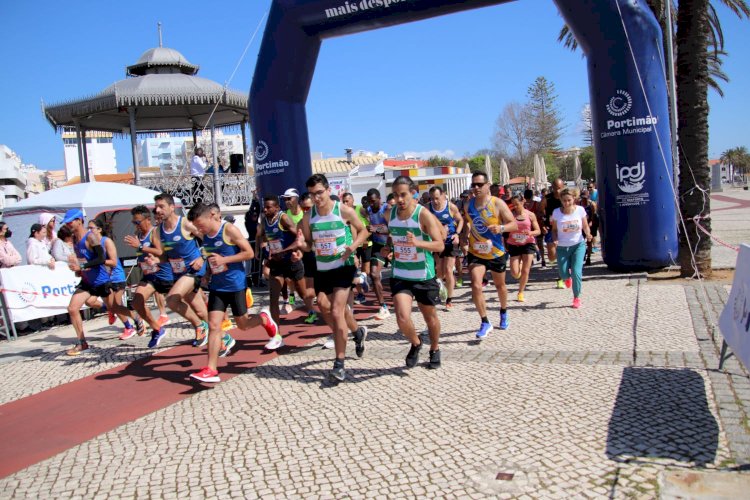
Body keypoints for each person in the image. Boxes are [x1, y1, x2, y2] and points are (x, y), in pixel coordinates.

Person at [184, 203, 277, 383]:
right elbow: (212, 258)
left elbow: (249, 253)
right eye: (196, 225)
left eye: (200, 223)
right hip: (217, 287)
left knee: (243, 325)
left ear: (211, 215)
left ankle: (264, 318)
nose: (198, 228)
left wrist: (224, 259)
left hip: (235, 285)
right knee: (213, 326)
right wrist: (207, 274)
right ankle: (211, 369)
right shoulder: (205, 236)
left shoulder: (229, 230)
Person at [298, 174, 369, 382]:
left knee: (337, 311)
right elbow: (309, 245)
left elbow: (364, 231)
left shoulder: (343, 211)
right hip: (323, 269)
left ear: (328, 190)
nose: (316, 197)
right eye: (312, 194)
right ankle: (356, 332)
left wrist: (353, 247)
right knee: (323, 305)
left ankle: (339, 364)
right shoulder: (308, 216)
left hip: (343, 267)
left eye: (319, 193)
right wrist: (302, 247)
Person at [383, 176, 445, 369]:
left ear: (413, 193)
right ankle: (416, 343)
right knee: (402, 317)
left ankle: (434, 348)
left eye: (403, 195)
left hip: (423, 275)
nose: (399, 199)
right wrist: (387, 249)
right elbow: (392, 237)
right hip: (400, 273)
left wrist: (418, 243)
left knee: (430, 317)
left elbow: (440, 245)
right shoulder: (389, 214)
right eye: (395, 195)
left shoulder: (422, 215)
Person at [150, 193, 211, 347]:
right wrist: (155, 261)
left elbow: (209, 238)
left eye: (161, 206)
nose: (157, 210)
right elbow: (164, 257)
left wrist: (202, 257)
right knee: (200, 310)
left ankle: (199, 326)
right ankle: (222, 337)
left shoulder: (185, 223)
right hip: (179, 273)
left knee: (171, 300)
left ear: (172, 207)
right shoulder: (158, 231)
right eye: (156, 207)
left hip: (194, 269)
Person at [464, 171, 518, 339]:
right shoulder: (468, 205)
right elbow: (467, 223)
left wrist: (501, 228)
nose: (476, 188)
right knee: (476, 284)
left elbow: (514, 225)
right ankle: (485, 321)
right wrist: (464, 239)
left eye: (480, 184)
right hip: (476, 251)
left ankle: (503, 311)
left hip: (495, 251)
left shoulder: (497, 203)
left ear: (488, 185)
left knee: (500, 285)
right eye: (474, 184)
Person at [257, 194, 307, 349]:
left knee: (305, 295)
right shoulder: (264, 221)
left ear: (277, 208)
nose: (265, 210)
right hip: (277, 264)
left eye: (268, 207)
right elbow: (262, 237)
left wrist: (285, 251)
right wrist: (264, 250)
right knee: (273, 297)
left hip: (291, 261)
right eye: (264, 207)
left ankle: (325, 314)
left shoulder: (283, 218)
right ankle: (277, 336)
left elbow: (299, 238)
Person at [123, 205, 175, 342]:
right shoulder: (138, 235)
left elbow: (160, 252)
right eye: (134, 222)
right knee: (137, 302)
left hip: (164, 274)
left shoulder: (155, 232)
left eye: (138, 222)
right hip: (149, 276)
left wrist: (140, 246)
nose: (136, 225)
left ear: (147, 220)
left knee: (184, 302)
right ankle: (157, 329)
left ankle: (202, 324)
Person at [89, 218, 144, 340]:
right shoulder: (91, 243)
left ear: (99, 229)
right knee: (90, 301)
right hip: (102, 278)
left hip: (116, 277)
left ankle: (131, 324)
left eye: (91, 228)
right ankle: (110, 310)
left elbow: (113, 262)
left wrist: (97, 262)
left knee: (116, 305)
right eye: (88, 228)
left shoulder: (106, 241)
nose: (89, 231)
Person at [550, 188, 592, 309]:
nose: (566, 203)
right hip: (562, 247)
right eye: (564, 201)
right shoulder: (557, 212)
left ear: (574, 199)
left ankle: (576, 297)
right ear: (561, 200)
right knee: (563, 273)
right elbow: (553, 230)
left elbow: (585, 226)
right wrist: (555, 239)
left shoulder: (580, 210)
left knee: (576, 271)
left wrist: (588, 234)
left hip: (578, 245)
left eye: (569, 200)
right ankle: (566, 278)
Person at [428, 185, 463, 309]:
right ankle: (442, 290)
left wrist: (457, 234)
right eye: (432, 199)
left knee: (448, 270)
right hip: (437, 243)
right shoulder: (428, 209)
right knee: (440, 271)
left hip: (450, 242)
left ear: (443, 195)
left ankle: (449, 299)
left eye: (437, 198)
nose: (435, 201)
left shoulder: (450, 207)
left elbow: (461, 220)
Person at [507, 195, 541, 302]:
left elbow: (538, 231)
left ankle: (520, 292)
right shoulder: (510, 215)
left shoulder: (530, 215)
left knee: (526, 270)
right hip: (514, 244)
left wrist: (530, 233)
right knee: (514, 272)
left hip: (528, 244)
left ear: (523, 201)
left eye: (517, 204)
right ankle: (519, 270)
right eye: (513, 204)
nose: (516, 206)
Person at [365, 188, 392, 320]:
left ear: (380, 199)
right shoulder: (369, 210)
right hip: (377, 246)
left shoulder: (387, 209)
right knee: (374, 274)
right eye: (369, 202)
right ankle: (383, 306)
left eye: (373, 201)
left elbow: (392, 229)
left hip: (392, 245)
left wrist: (376, 229)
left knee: (401, 276)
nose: (371, 204)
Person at [540, 178, 564, 278]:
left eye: (559, 188)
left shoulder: (566, 198)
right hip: (550, 227)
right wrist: (543, 225)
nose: (557, 190)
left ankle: (562, 273)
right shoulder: (547, 199)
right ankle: (557, 263)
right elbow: (541, 212)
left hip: (563, 228)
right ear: (552, 187)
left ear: (562, 187)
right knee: (551, 255)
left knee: (563, 252)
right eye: (555, 188)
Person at [578, 190, 599, 266]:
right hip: (581, 225)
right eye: (583, 198)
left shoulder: (592, 204)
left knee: (589, 242)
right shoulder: (579, 204)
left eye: (585, 198)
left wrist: (591, 223)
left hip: (590, 224)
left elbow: (594, 215)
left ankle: (588, 258)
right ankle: (583, 254)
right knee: (581, 241)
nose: (584, 199)